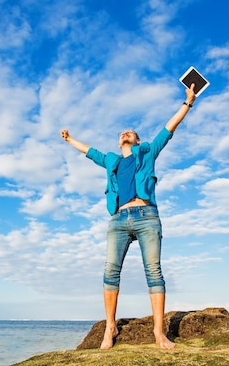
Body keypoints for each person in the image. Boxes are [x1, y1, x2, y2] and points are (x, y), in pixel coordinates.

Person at [60, 84, 197, 349]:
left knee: (154, 272)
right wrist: (69, 139)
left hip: (147, 216)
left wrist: (188, 103)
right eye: (123, 132)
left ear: (136, 140)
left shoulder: (147, 152)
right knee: (111, 271)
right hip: (119, 220)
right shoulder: (112, 160)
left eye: (131, 132)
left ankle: (159, 333)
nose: (126, 133)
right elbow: (90, 152)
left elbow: (169, 129)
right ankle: (110, 328)